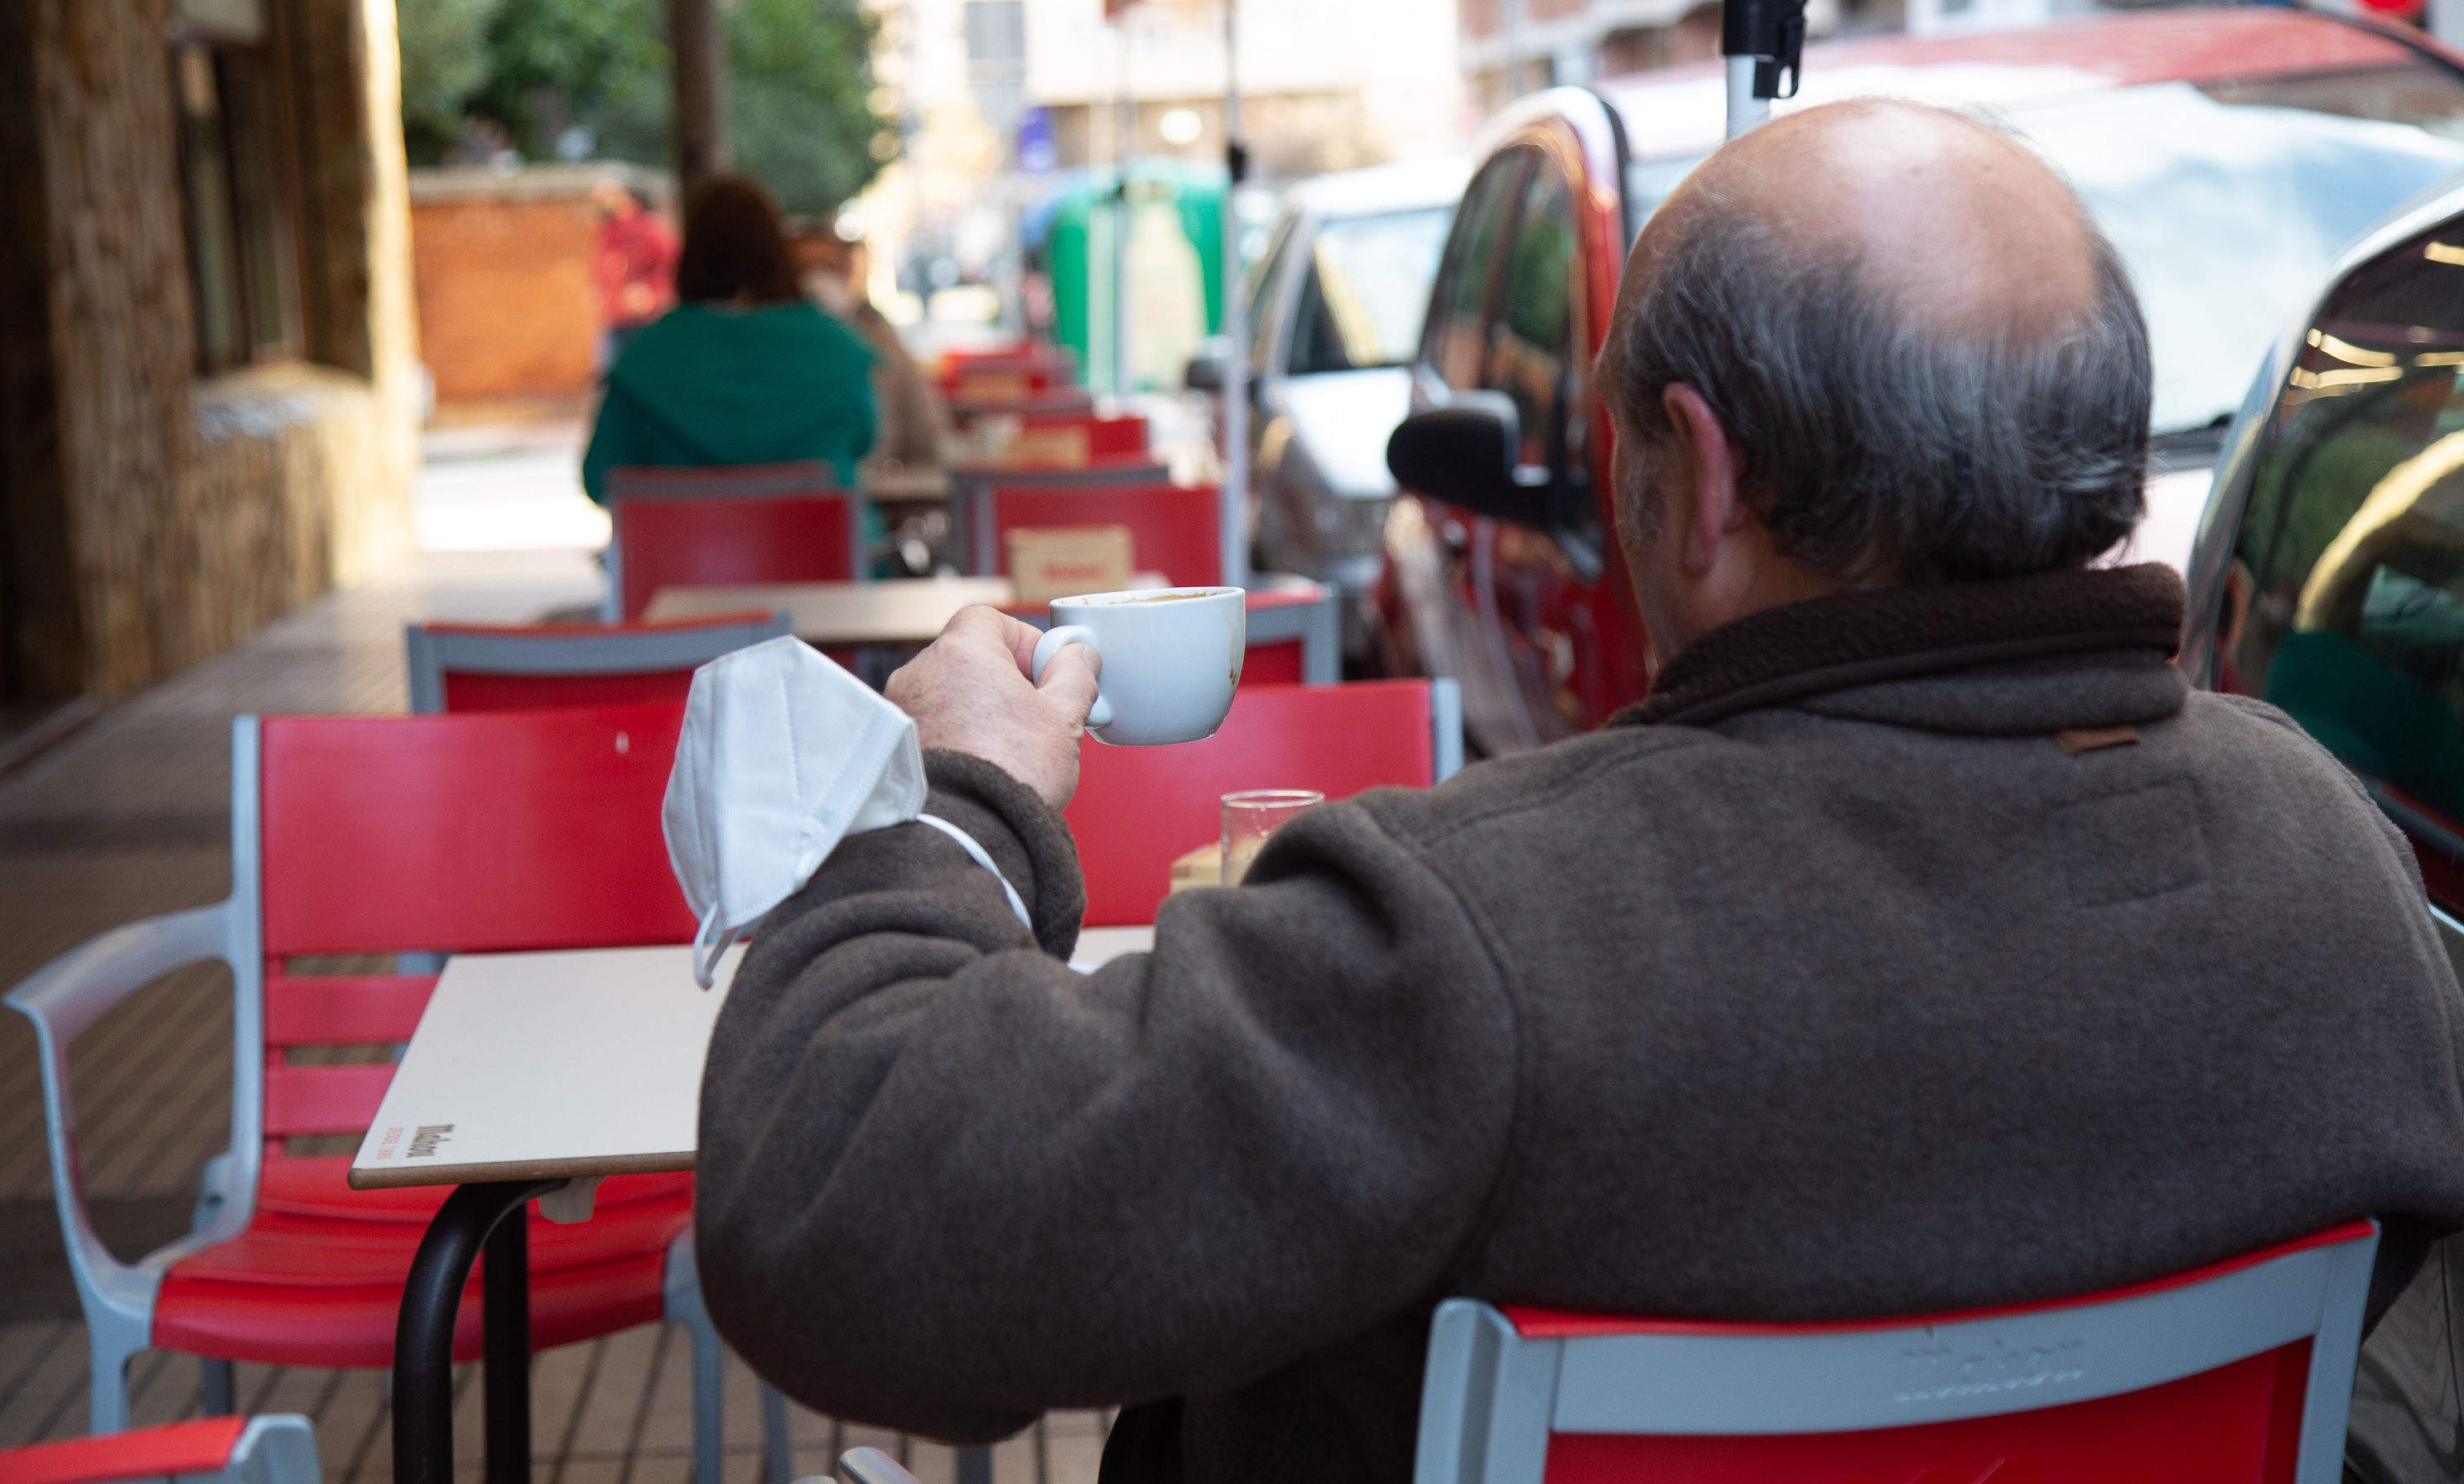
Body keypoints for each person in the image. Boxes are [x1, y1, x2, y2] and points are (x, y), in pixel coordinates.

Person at [692, 102, 2464, 1482]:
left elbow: (837, 1217)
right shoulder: (2336, 868)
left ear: (1698, 476)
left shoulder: (1475, 943)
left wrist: (959, 808)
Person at [580, 174, 875, 507]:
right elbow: (864, 442)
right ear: (777, 254)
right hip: (818, 556)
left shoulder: (643, 358)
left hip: (681, 556)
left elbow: (599, 479)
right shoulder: (837, 350)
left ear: (690, 256)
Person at [793, 223, 947, 473]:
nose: (816, 281)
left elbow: (927, 435)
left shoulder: (882, 345)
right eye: (804, 270)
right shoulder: (767, 356)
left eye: (828, 269)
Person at [591, 179, 679, 373]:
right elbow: (603, 264)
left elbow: (669, 264)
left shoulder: (650, 228)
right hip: (617, 310)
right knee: (607, 367)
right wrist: (600, 287)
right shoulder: (610, 229)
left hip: (643, 310)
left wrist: (650, 291)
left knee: (648, 364)